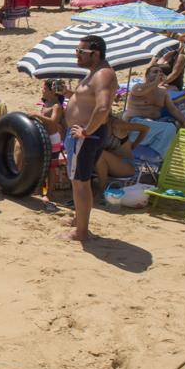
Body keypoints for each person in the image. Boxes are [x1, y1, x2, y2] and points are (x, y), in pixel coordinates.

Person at [62, 35, 116, 242]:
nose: (77, 55)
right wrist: (70, 94)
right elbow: (88, 101)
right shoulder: (94, 73)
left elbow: (102, 107)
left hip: (85, 137)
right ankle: (79, 220)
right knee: (79, 180)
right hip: (83, 135)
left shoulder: (103, 74)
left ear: (96, 54)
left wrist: (86, 132)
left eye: (80, 52)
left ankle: (81, 232)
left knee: (80, 183)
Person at [123, 63, 185, 155]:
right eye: (155, 72)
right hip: (136, 122)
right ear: (147, 75)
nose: (159, 73)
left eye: (161, 72)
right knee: (169, 128)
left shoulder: (163, 92)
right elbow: (142, 91)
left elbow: (173, 110)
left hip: (154, 123)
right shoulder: (138, 87)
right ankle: (158, 157)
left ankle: (154, 153)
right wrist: (156, 81)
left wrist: (184, 121)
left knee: (175, 124)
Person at [94, 115, 152, 193]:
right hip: (110, 164)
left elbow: (145, 128)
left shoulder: (117, 124)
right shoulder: (95, 124)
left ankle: (102, 191)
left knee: (100, 154)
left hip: (126, 165)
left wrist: (134, 145)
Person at [34, 80, 66, 204]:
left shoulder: (56, 106)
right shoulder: (46, 103)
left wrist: (37, 115)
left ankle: (50, 193)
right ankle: (40, 188)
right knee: (41, 163)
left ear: (52, 91)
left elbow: (53, 121)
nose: (42, 90)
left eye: (44, 88)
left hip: (53, 138)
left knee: (51, 166)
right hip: (43, 137)